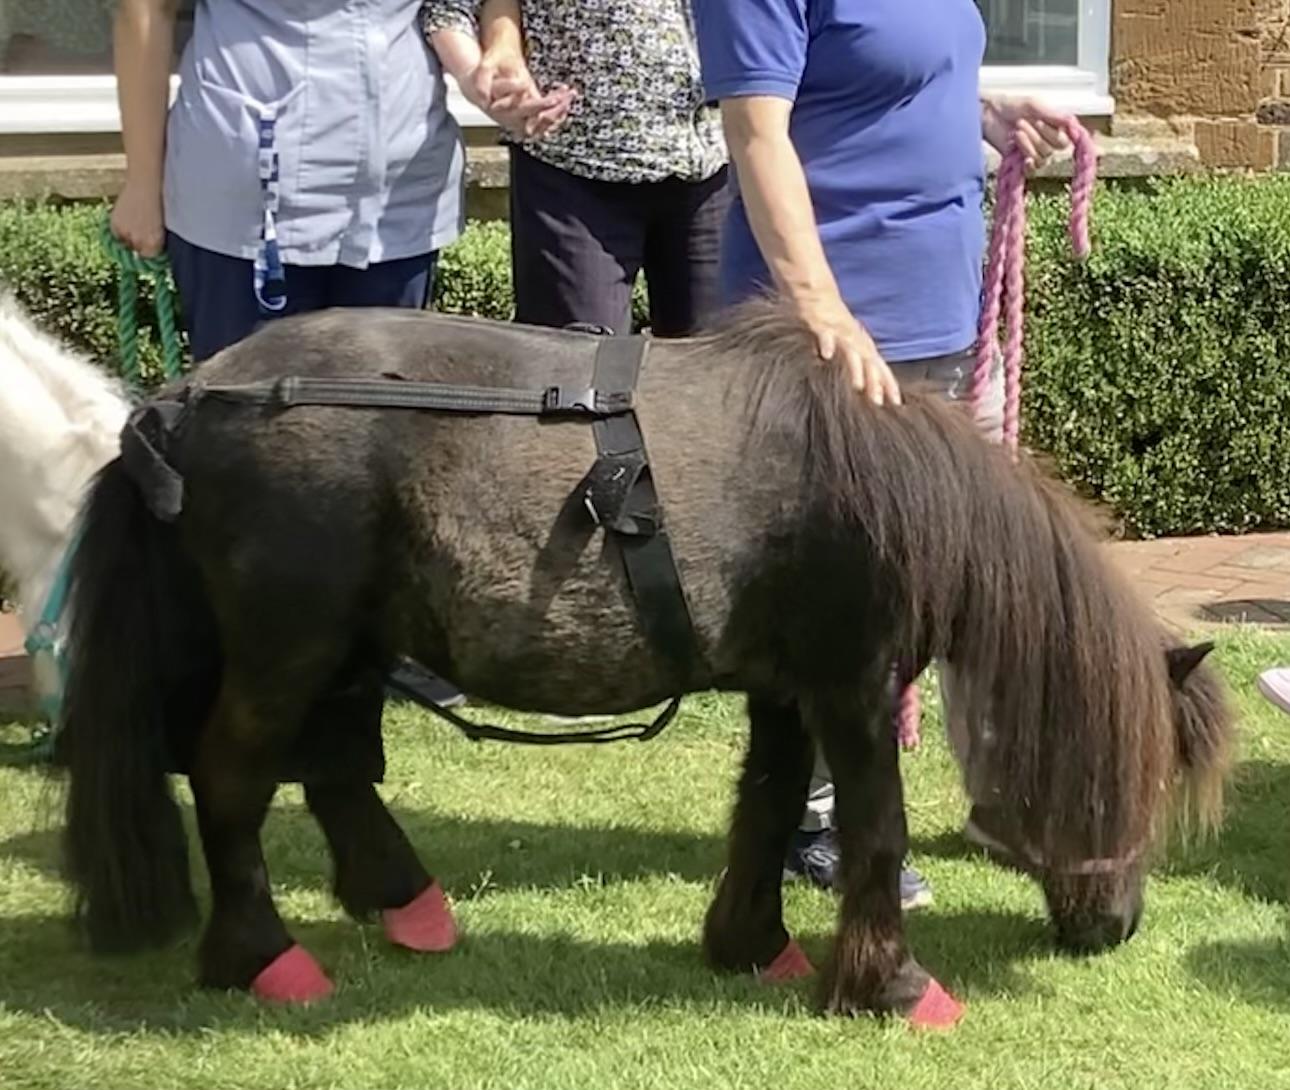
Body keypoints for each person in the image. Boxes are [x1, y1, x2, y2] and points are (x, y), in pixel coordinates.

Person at [106, 0, 565, 765]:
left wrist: (500, 53)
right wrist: (140, 179)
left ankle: (354, 674)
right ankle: (213, 673)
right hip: (246, 197)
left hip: (396, 192)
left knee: (388, 449)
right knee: (243, 458)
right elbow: (142, 12)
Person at [692, 0, 1076, 905]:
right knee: (854, 601)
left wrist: (986, 113)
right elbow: (756, 133)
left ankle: (1008, 805)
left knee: (973, 586)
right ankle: (822, 820)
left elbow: (896, 81)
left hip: (940, 308)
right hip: (843, 340)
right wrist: (820, 307)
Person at [421, 0, 730, 338]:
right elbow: (453, 8)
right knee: (577, 376)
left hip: (712, 168)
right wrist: (489, 74)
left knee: (715, 369)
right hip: (573, 173)